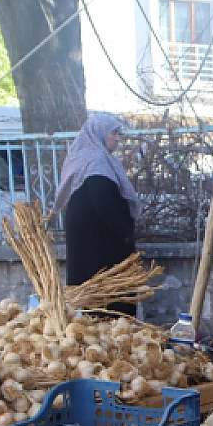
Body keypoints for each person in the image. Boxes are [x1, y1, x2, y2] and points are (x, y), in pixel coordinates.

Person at [54, 113, 140, 315]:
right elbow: (102, 200)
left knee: (92, 298)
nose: (117, 139)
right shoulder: (96, 161)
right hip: (100, 246)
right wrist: (124, 233)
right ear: (99, 133)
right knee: (107, 301)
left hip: (93, 243)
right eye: (114, 133)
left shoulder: (86, 157)